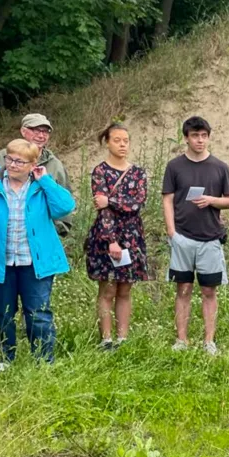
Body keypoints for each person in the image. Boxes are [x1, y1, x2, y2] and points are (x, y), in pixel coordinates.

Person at [0, 139, 75, 369]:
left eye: (19, 161)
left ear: (33, 164)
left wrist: (45, 179)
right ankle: (5, 359)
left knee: (38, 313)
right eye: (9, 158)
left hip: (34, 263)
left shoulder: (41, 187)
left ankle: (43, 361)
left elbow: (65, 206)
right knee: (2, 313)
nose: (12, 164)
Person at [162, 116, 229, 354]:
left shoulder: (220, 167)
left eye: (204, 135)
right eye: (195, 135)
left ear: (209, 137)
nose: (200, 140)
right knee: (182, 289)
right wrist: (171, 231)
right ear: (186, 138)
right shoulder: (174, 166)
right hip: (182, 236)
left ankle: (209, 341)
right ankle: (182, 340)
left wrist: (211, 200)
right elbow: (168, 199)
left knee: (209, 291)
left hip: (210, 239)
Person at [85, 124, 148, 350]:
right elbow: (103, 210)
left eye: (126, 140)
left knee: (125, 289)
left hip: (132, 235)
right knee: (108, 288)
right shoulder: (100, 171)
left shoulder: (138, 173)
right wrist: (111, 240)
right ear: (108, 143)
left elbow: (137, 204)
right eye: (117, 140)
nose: (122, 144)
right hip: (106, 234)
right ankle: (106, 339)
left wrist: (110, 201)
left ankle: (123, 338)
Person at [0, 113, 73, 236]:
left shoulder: (55, 165)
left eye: (46, 131)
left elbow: (65, 201)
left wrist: (56, 229)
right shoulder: (2, 157)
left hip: (41, 236)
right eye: (36, 131)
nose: (41, 136)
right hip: (2, 232)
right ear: (23, 131)